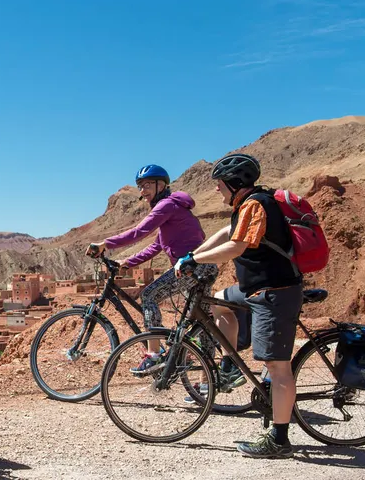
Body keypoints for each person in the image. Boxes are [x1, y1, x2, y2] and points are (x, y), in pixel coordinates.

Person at [174, 152, 303, 459]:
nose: (217, 189)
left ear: (235, 182)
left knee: (278, 367)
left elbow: (236, 246)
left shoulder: (257, 205)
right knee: (219, 302)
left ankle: (279, 440)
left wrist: (195, 260)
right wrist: (190, 255)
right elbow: (223, 234)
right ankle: (230, 366)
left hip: (274, 292)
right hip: (253, 290)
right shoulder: (245, 206)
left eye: (220, 184)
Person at [88, 165, 234, 382]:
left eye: (147, 185)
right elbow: (156, 246)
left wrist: (105, 244)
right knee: (201, 324)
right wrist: (129, 262)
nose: (142, 191)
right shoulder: (174, 208)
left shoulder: (167, 206)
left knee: (149, 295)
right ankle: (207, 384)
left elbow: (140, 232)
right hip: (203, 267)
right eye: (140, 187)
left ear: (161, 185)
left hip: (193, 268)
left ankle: (155, 354)